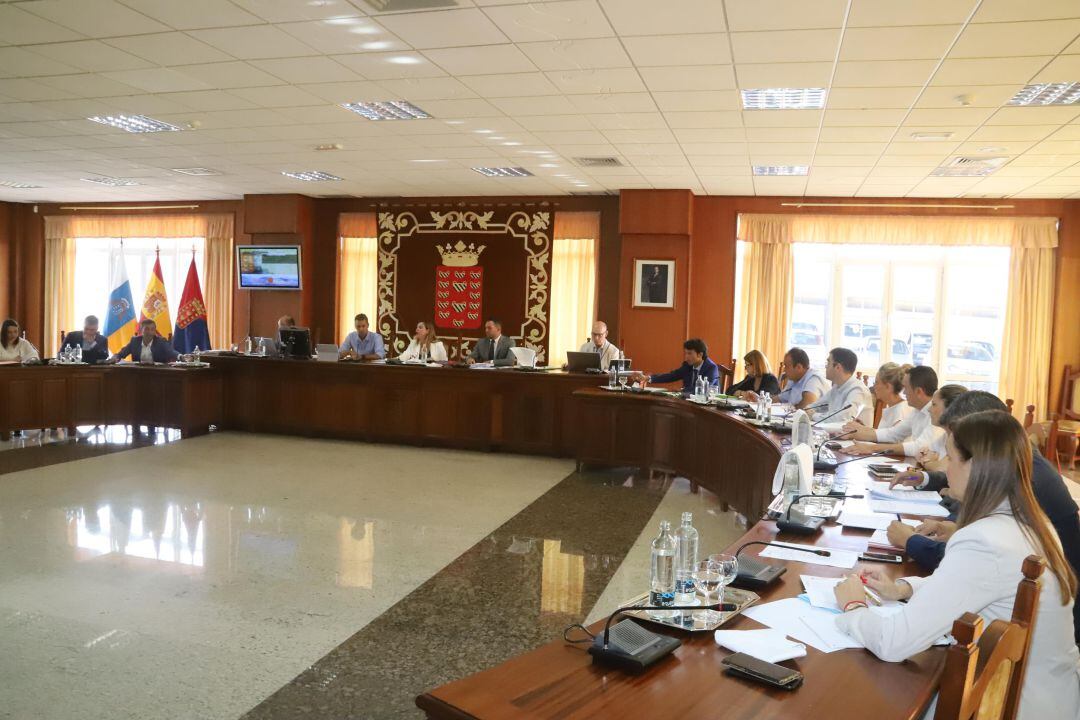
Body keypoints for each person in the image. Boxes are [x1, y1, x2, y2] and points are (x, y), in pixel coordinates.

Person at [832, 411, 1080, 719]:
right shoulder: (1032, 520)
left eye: (951, 459)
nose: (945, 468)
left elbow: (894, 644)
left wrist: (854, 606)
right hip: (1051, 696)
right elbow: (973, 583)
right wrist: (902, 587)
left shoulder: (984, 540)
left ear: (975, 466)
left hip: (1007, 705)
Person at [885, 392, 1080, 645]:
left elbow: (979, 559)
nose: (947, 466)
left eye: (953, 456)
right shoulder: (1014, 469)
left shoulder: (1028, 482)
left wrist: (911, 541)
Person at [843, 365, 941, 456]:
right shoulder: (917, 411)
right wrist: (858, 433)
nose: (904, 392)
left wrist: (872, 448)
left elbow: (919, 447)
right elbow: (893, 433)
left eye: (906, 388)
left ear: (918, 391)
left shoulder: (938, 412)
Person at [633, 338, 718, 394]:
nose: (686, 357)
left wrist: (682, 391)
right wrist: (647, 378)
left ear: (700, 354)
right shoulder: (687, 366)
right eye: (686, 353)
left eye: (690, 353)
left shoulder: (711, 368)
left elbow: (703, 389)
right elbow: (671, 376)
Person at [814, 347, 873, 425]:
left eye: (828, 363)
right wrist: (803, 412)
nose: (826, 366)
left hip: (855, 437)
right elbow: (816, 406)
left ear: (838, 367)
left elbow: (844, 418)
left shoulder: (858, 390)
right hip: (837, 434)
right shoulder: (837, 386)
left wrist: (814, 415)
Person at [106, 319, 179, 364]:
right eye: (147, 329)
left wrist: (180, 356)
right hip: (138, 374)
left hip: (158, 374)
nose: (150, 332)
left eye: (152, 329)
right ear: (141, 330)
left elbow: (171, 352)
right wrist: (115, 358)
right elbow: (121, 354)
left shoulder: (161, 341)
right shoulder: (135, 341)